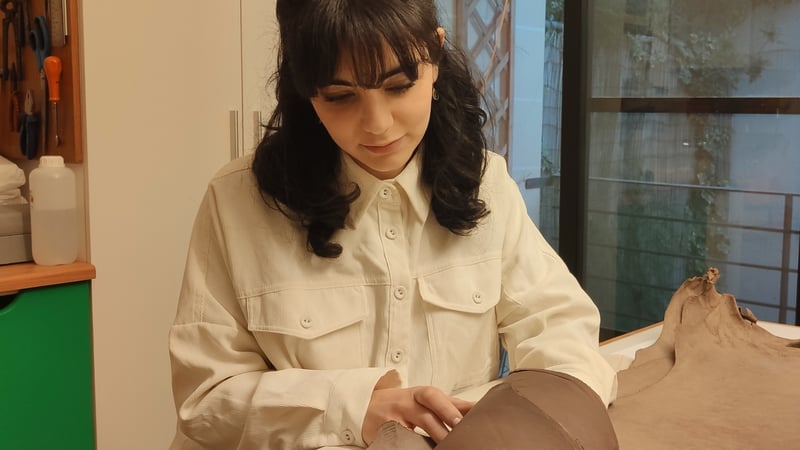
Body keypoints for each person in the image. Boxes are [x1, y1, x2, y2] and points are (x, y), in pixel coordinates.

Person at [168, 1, 618, 449]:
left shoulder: (486, 185)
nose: (377, 125)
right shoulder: (237, 202)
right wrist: (352, 408)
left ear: (435, 56)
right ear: (305, 89)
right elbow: (206, 398)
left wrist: (526, 424)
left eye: (399, 86)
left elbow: (560, 329)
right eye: (340, 96)